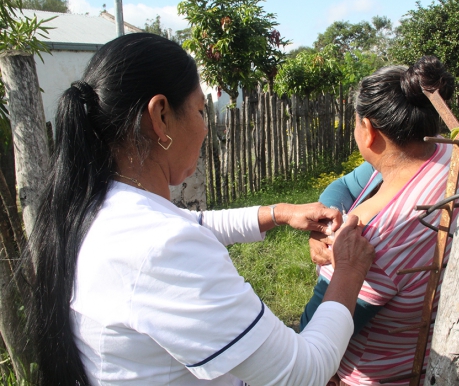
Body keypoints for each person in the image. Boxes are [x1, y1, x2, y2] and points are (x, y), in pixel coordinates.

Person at [27, 33, 376, 386]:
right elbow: (303, 372)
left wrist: (280, 212)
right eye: (199, 110)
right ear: (161, 115)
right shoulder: (160, 246)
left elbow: (193, 222)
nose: (205, 127)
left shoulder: (96, 207)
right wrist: (348, 271)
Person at [300, 57, 459, 385]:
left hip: (371, 376)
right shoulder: (446, 156)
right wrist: (322, 222)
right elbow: (346, 186)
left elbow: (313, 336)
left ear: (370, 131)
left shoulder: (370, 238)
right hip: (420, 357)